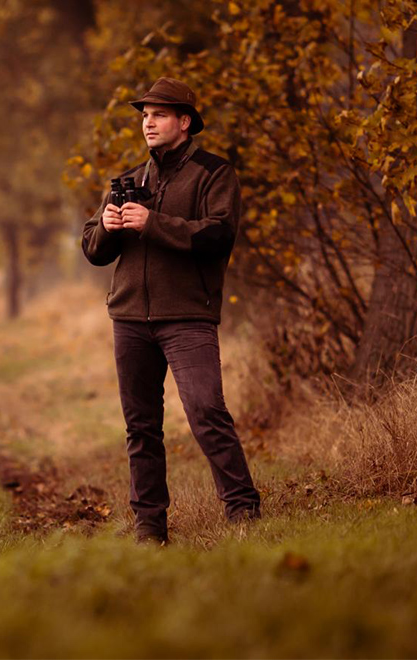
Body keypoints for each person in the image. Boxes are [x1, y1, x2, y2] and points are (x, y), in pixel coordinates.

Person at [81, 77, 261, 544]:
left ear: (184, 121)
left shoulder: (215, 173)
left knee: (206, 410)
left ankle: (243, 509)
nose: (148, 123)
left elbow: (218, 235)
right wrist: (106, 227)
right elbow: (93, 250)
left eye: (158, 115)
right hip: (129, 320)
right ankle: (150, 526)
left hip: (187, 317)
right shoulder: (129, 180)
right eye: (145, 116)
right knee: (141, 427)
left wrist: (153, 223)